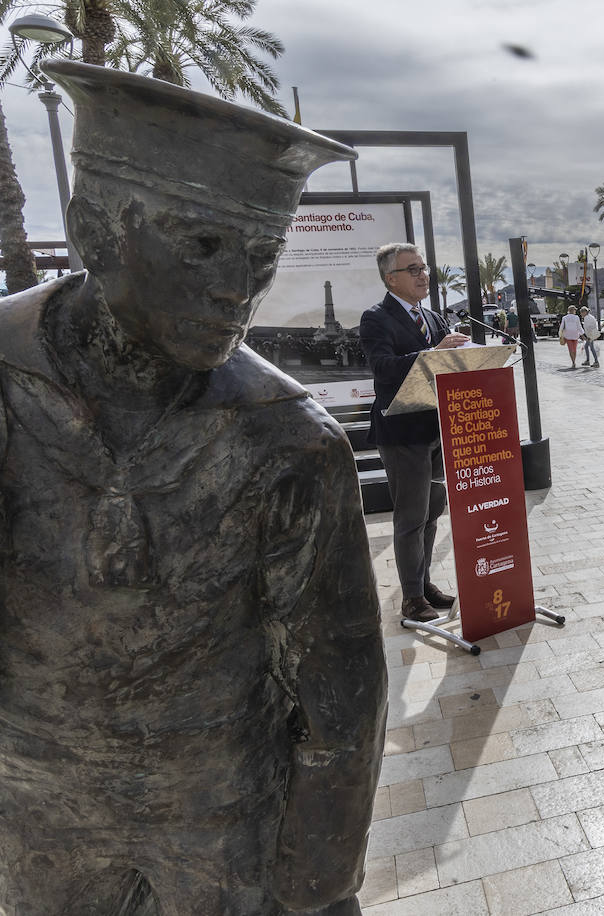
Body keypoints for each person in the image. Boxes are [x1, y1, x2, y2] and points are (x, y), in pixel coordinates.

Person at [0, 60, 386, 913]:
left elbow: (343, 685)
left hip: (221, 811)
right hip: (35, 808)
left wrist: (316, 873)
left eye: (263, 254)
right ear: (96, 230)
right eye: (204, 244)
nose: (238, 288)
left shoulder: (289, 441)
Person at [360, 243, 470, 626]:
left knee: (432, 513)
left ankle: (424, 585)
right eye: (413, 269)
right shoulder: (376, 318)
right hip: (402, 431)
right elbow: (383, 368)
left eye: (423, 267)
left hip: (439, 430)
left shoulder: (435, 317)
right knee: (411, 517)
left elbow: (449, 365)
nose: (424, 274)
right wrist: (432, 354)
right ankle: (411, 598)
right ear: (391, 279)